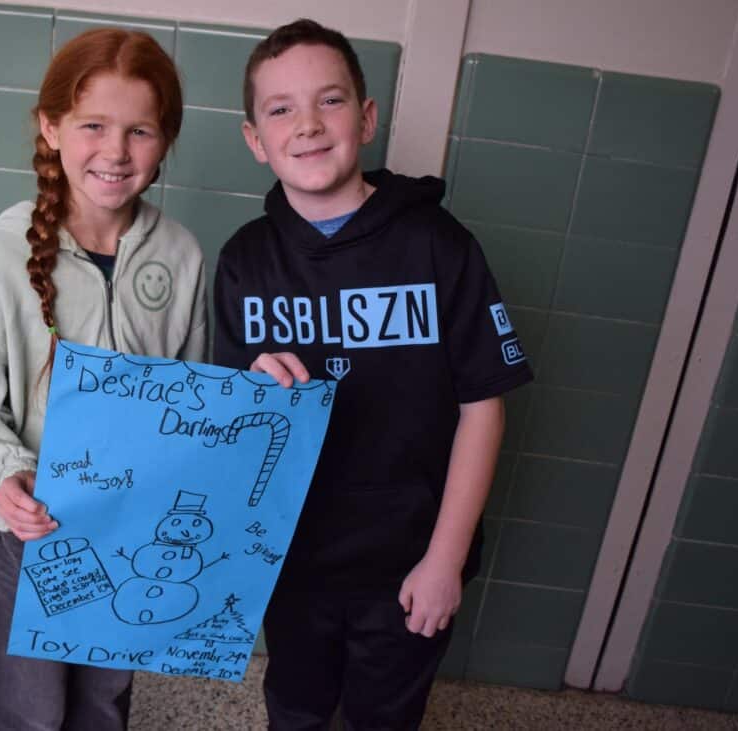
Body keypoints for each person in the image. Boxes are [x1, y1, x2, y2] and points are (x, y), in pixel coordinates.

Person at [212, 18, 533, 730]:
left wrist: (445, 559)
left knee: (383, 715)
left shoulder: (438, 244)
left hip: (409, 558)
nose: (308, 125)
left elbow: (484, 405)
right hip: (291, 561)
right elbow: (232, 426)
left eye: (329, 101)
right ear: (255, 139)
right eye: (281, 109)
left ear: (366, 118)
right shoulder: (244, 261)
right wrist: (251, 393)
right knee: (295, 706)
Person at [0, 28, 207, 730]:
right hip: (35, 532)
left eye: (140, 130)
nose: (116, 151)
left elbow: (192, 396)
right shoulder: (0, 259)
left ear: (165, 142)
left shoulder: (181, 256)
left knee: (103, 698)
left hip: (130, 527)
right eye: (93, 126)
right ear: (51, 128)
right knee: (26, 707)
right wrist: (6, 477)